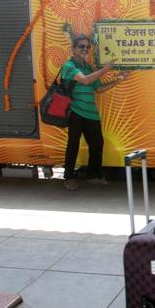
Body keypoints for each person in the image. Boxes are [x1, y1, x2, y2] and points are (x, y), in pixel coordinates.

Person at [62, 34, 130, 191]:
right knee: (73, 145)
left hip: (91, 113)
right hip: (75, 112)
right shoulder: (69, 66)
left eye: (87, 47)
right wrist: (105, 69)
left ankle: (93, 176)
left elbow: (99, 89)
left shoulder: (89, 67)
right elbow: (85, 80)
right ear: (73, 49)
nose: (85, 49)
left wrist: (120, 78)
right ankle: (68, 178)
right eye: (81, 46)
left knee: (97, 144)